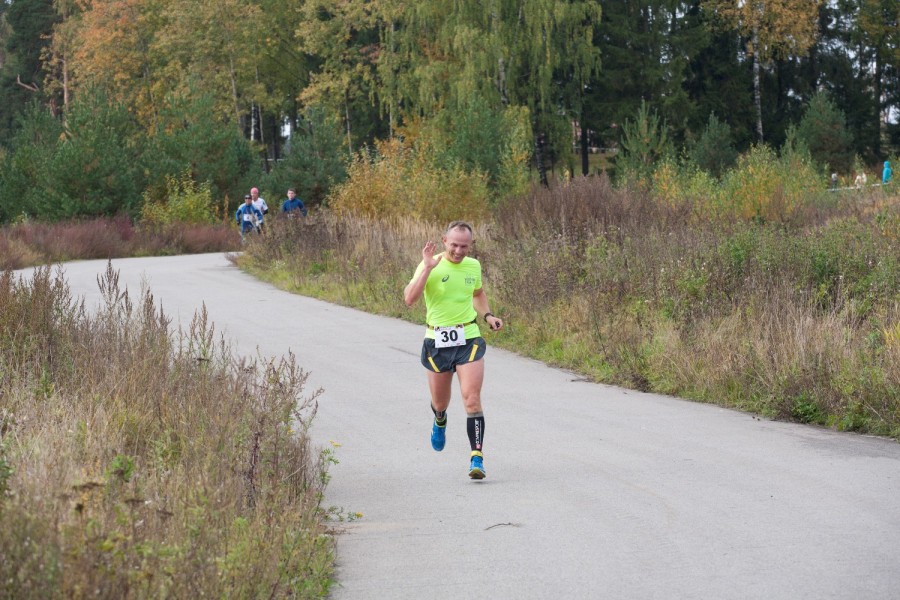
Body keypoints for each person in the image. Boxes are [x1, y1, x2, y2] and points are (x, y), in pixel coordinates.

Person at [403, 221, 503, 480]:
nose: (459, 251)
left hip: (468, 337)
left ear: (471, 245)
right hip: (436, 340)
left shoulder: (473, 266)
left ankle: (476, 458)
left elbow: (478, 294)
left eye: (464, 246)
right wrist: (426, 268)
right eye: (454, 245)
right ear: (444, 240)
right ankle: (439, 419)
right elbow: (410, 299)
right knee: (440, 402)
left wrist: (488, 315)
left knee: (471, 399)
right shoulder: (431, 263)